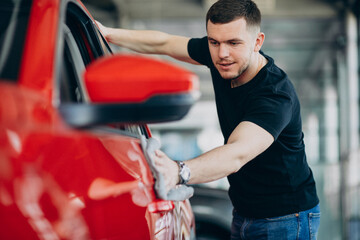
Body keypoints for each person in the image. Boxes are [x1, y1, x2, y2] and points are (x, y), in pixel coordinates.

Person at [97, 0, 320, 239]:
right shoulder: (222, 55)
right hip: (244, 211)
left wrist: (179, 171)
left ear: (257, 42)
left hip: (286, 218)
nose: (222, 54)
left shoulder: (275, 94)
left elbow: (236, 153)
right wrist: (108, 34)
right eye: (214, 42)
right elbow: (165, 43)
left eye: (234, 43)